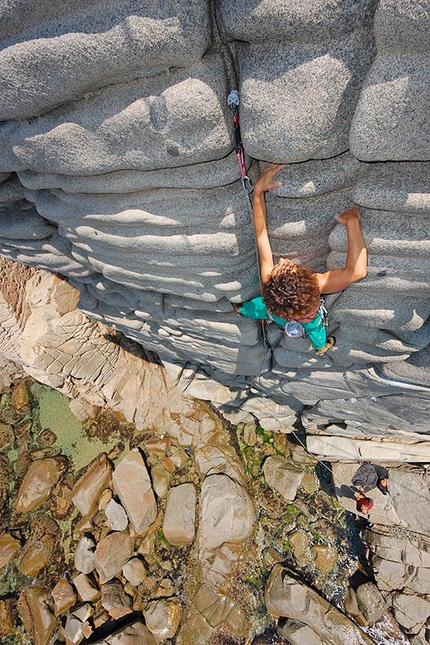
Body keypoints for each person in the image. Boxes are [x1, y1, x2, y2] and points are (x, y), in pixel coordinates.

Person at [236, 163, 368, 355]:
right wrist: (352, 222)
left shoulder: (268, 284)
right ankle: (321, 346)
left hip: (276, 313)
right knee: (317, 331)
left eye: (280, 266)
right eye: (285, 266)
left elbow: (261, 235)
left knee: (257, 307)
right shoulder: (315, 285)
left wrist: (257, 194)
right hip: (306, 319)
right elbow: (357, 271)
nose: (281, 260)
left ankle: (242, 311)